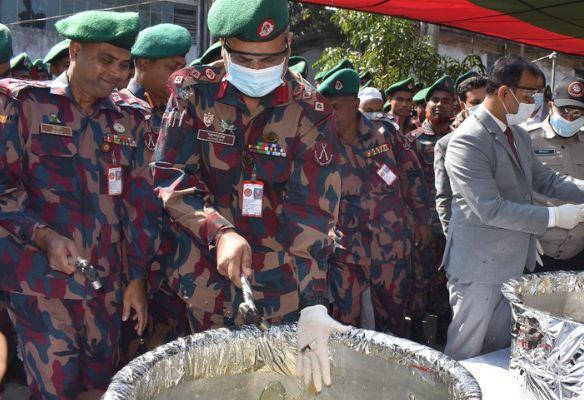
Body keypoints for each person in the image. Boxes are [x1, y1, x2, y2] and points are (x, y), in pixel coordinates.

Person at [150, 0, 347, 393]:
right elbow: (171, 176)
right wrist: (218, 231)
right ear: (223, 48)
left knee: (276, 387)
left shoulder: (311, 112)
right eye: (245, 58)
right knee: (214, 386)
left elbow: (312, 213)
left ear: (289, 45)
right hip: (207, 276)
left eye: (269, 59)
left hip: (281, 286)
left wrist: (313, 303)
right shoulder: (194, 93)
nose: (257, 70)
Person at [0, 10, 160, 398]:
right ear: (74, 51)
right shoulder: (25, 106)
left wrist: (136, 279)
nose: (117, 74)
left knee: (100, 389)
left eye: (125, 65)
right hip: (39, 282)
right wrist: (44, 237)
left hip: (104, 288)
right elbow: (4, 188)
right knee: (56, 391)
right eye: (106, 60)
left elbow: (141, 206)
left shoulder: (131, 118)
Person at [441, 55, 584, 360]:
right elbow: (489, 208)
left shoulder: (516, 133)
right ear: (504, 93)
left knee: (498, 352)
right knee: (467, 352)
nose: (535, 103)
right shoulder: (469, 140)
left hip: (513, 263)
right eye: (529, 94)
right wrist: (553, 216)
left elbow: (548, 180)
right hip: (479, 266)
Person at [319, 68, 430, 336]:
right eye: (326, 107)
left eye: (336, 107)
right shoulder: (321, 142)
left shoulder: (385, 134)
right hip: (346, 251)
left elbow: (412, 176)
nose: (330, 113)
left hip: (391, 247)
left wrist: (423, 221)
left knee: (392, 321)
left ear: (355, 105)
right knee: (344, 322)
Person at [119, 23, 192, 364]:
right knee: (128, 357)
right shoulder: (119, 112)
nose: (180, 75)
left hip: (167, 262)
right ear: (143, 64)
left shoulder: (173, 113)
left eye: (183, 65)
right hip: (126, 262)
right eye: (171, 67)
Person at [527, 77, 584, 272]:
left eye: (577, 112)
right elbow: (513, 195)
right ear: (550, 106)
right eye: (563, 110)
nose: (570, 118)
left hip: (578, 255)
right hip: (534, 252)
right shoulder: (528, 140)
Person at [405, 75, 454, 343]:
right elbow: (404, 186)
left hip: (451, 227)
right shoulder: (411, 140)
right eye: (434, 100)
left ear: (454, 107)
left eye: (445, 101)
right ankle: (415, 339)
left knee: (446, 283)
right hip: (421, 227)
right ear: (424, 105)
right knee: (419, 284)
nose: (438, 105)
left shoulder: (461, 141)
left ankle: (444, 338)